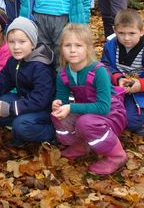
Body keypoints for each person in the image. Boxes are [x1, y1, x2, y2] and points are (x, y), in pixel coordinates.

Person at [51, 23, 127, 175]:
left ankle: (116, 155)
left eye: (78, 45)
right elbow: (62, 99)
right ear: (61, 48)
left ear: (88, 48)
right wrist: (58, 104)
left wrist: (71, 108)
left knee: (85, 123)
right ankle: (81, 145)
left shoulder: (99, 72)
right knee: (58, 116)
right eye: (67, 45)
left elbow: (103, 107)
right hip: (87, 110)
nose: (72, 50)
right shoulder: (63, 73)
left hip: (110, 113)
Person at [0, 17, 56, 147]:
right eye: (12, 42)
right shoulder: (14, 61)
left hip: (45, 109)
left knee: (21, 126)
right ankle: (21, 127)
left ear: (32, 43)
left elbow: (40, 100)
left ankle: (52, 132)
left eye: (22, 42)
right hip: (26, 103)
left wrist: (9, 109)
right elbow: (1, 80)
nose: (16, 47)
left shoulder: (40, 67)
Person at [101, 9, 144, 136]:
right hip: (117, 87)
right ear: (114, 30)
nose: (126, 38)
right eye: (121, 33)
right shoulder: (110, 45)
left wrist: (140, 85)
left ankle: (141, 118)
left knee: (130, 121)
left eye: (132, 33)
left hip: (143, 92)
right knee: (103, 112)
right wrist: (118, 78)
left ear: (142, 31)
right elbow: (105, 65)